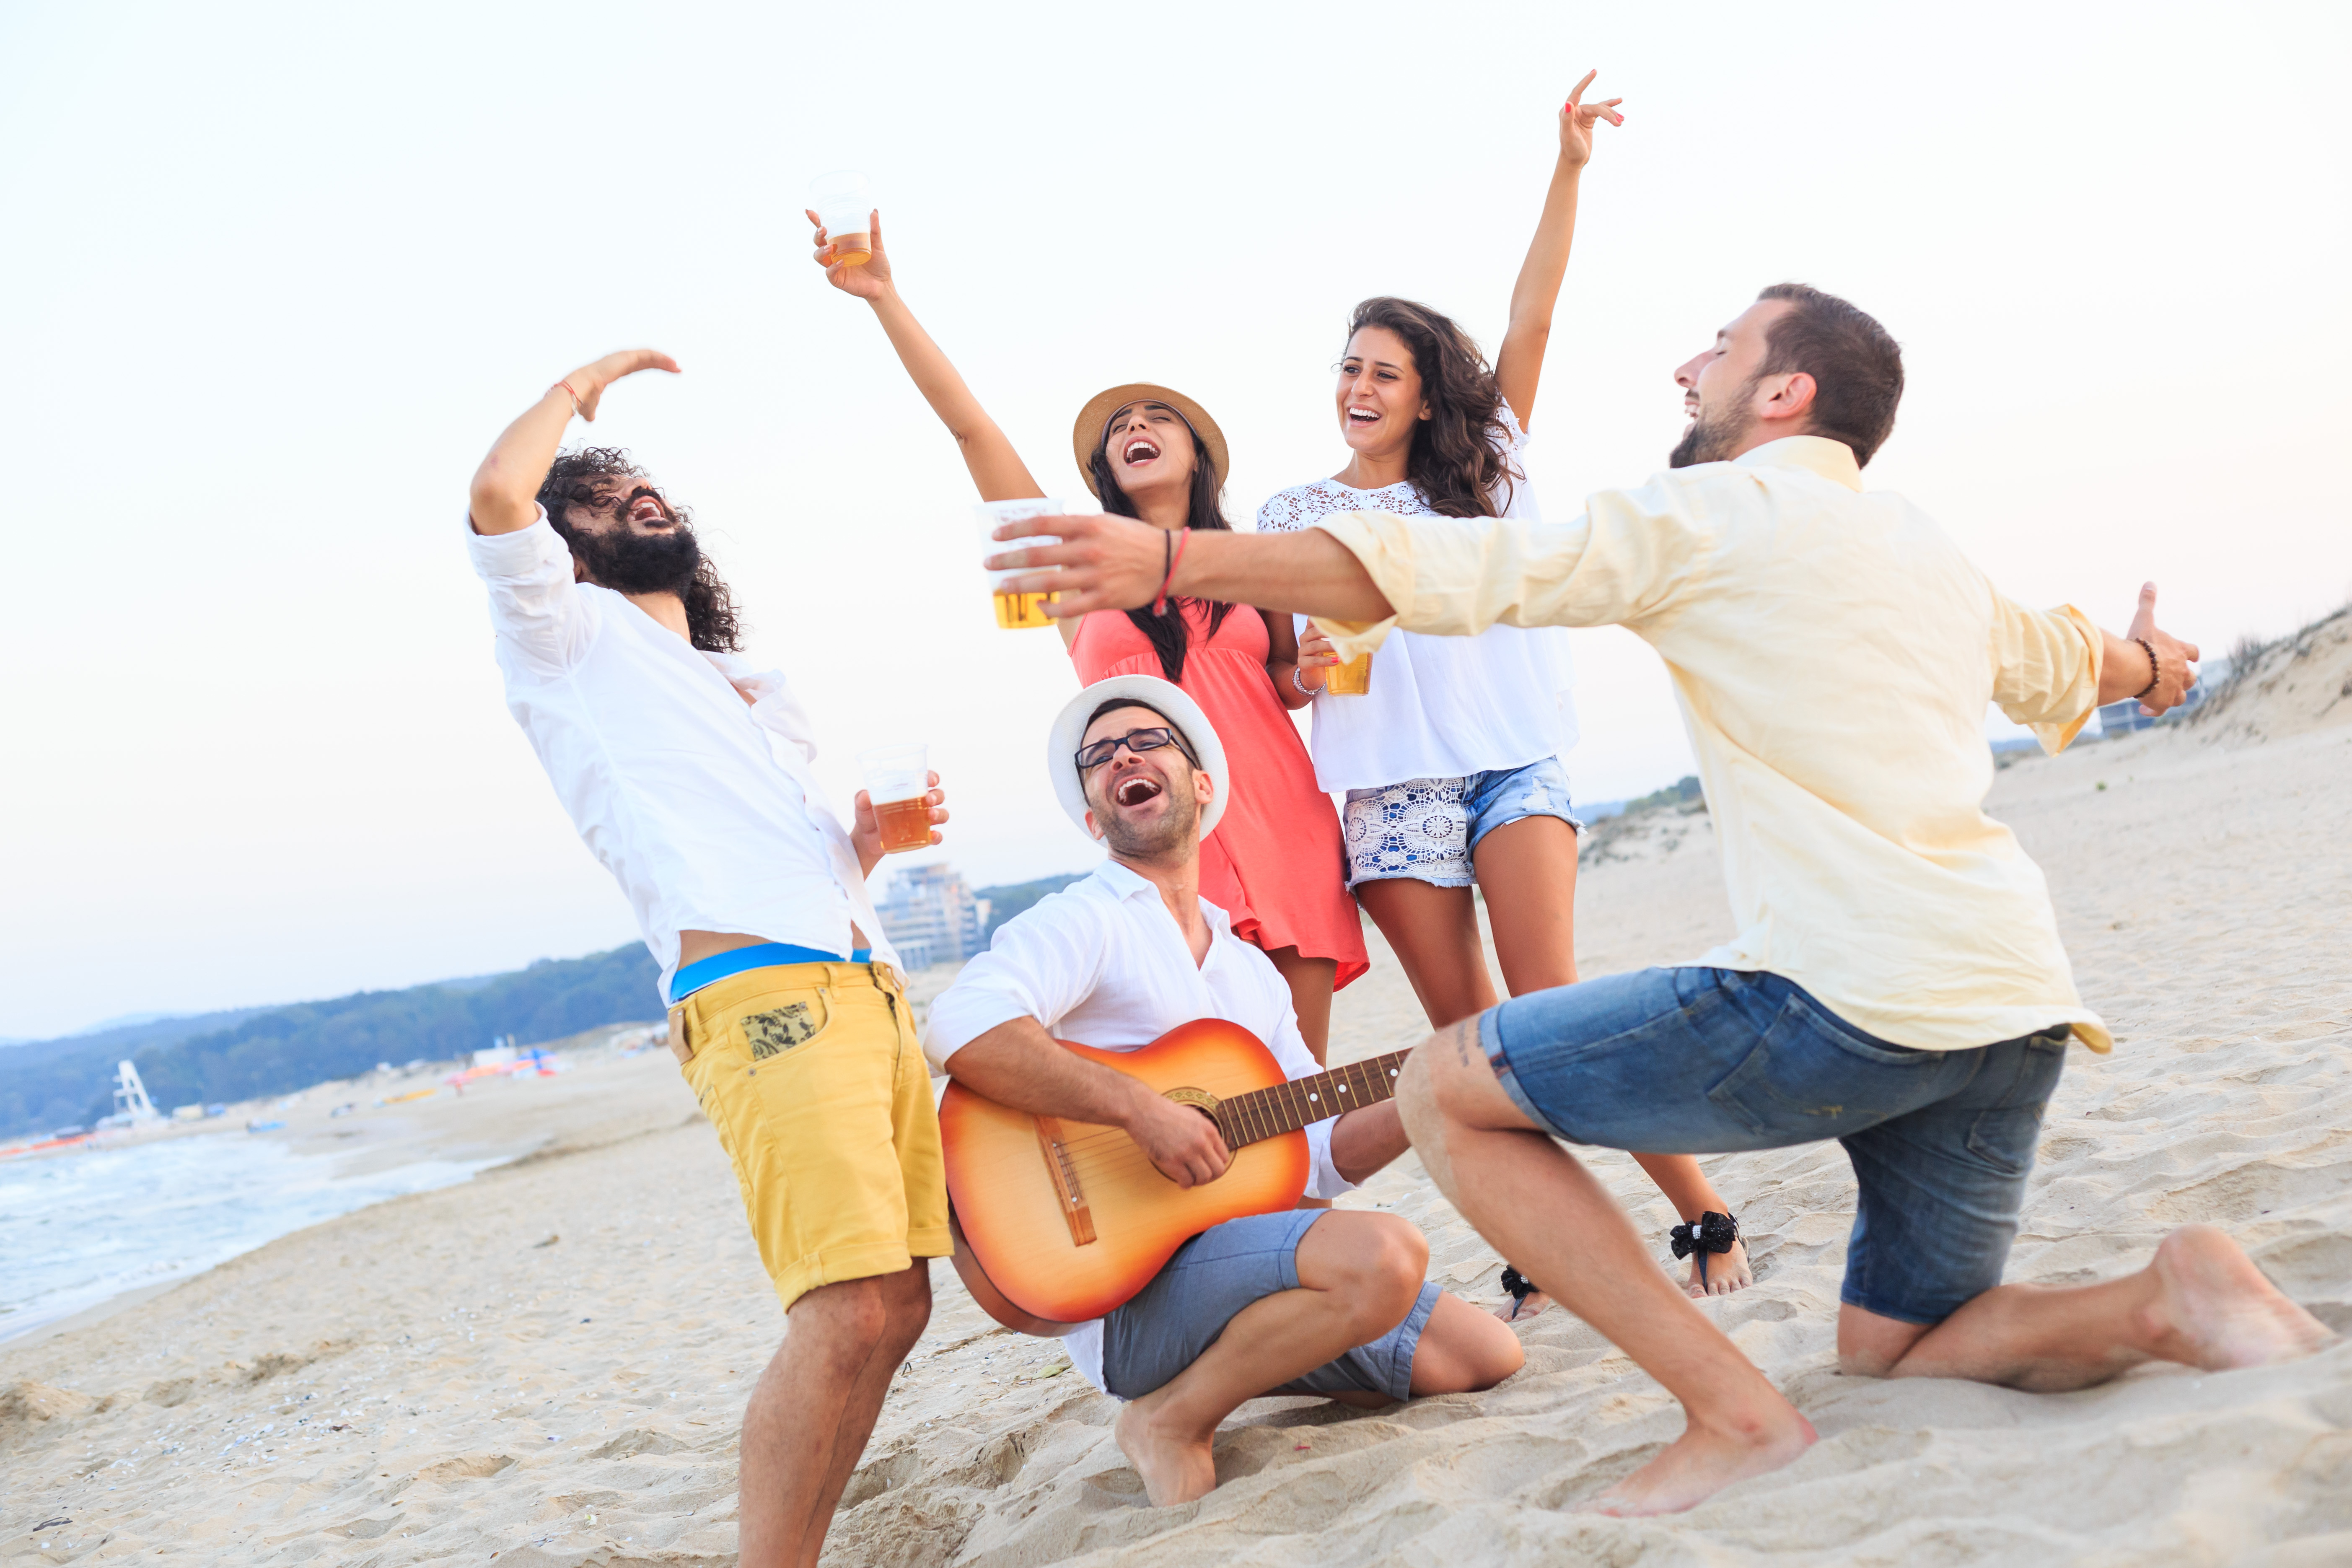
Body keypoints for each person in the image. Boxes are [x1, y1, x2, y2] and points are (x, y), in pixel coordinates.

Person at [979, 284, 2337, 1515]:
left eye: (1722, 349)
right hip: (2014, 1007)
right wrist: (2152, 663)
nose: (1690, 368)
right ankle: (2172, 1292)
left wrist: (1172, 563)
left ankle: (1734, 1414)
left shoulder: (1711, 514)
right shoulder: (1920, 542)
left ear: (1784, 391)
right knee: (1900, 1343)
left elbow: (1457, 570)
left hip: (1843, 994)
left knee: (1447, 1081)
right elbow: (2068, 659)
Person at [1258, 72, 1750, 1305]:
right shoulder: (1291, 510)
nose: (1359, 387)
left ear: (1426, 390)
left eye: (1385, 372)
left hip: (1512, 758)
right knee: (1476, 1044)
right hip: (1389, 791)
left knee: (1551, 1003)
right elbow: (1283, 670)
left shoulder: (1489, 461)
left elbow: (1534, 311)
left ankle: (1700, 1211)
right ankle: (1540, 1242)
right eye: (1348, 368)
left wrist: (1569, 166)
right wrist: (1305, 670)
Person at [464, 351, 952, 1568]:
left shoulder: (737, 684)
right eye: (597, 497)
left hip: (862, 979)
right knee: (841, 1305)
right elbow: (496, 496)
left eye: (644, 486)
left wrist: (865, 845)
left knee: (898, 1303)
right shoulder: (566, 636)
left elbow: (771, 852)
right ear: (568, 552)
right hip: (761, 992)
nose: (635, 495)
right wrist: (578, 390)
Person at [923, 676, 1523, 1506]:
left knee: (1486, 1353)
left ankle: (1249, 1360)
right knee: (1384, 1254)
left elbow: (1318, 1152)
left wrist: (1428, 1088)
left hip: (1237, 1266)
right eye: (1099, 757)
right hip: (1123, 1292)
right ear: (1093, 817)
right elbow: (960, 1026)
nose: (1122, 757)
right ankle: (1168, 1417)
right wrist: (1140, 1110)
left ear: (1202, 785)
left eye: (1147, 741)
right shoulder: (1086, 919)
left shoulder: (1248, 970)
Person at [809, 215, 1367, 1065]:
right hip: (1156, 831)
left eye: (1157, 417)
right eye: (1119, 426)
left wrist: (1316, 673)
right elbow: (972, 432)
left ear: (1196, 455)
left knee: (1292, 1083)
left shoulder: (1251, 561)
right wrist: (885, 298)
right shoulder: (1077, 570)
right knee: (1191, 1072)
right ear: (1108, 469)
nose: (1133, 425)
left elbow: (1286, 680)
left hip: (1283, 822)